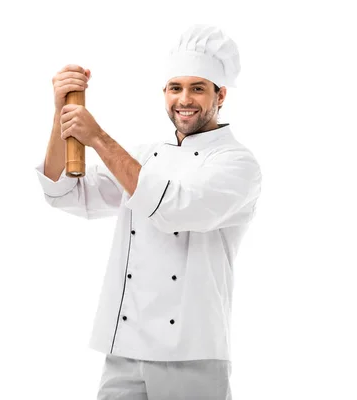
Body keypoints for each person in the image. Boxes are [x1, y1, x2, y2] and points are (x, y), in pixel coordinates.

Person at [34, 24, 261, 400]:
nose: (184, 99)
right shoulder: (143, 157)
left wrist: (99, 138)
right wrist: (62, 112)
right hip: (124, 347)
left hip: (190, 353)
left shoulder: (237, 164)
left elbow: (171, 208)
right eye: (175, 87)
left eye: (198, 88)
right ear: (165, 93)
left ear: (221, 95)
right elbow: (64, 192)